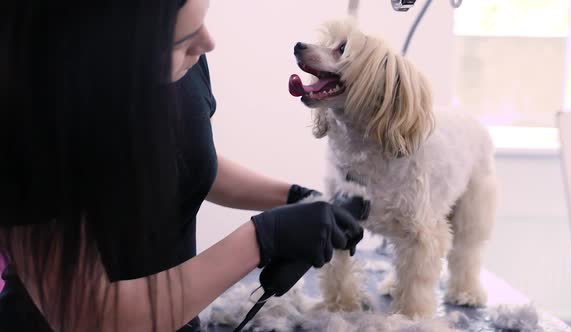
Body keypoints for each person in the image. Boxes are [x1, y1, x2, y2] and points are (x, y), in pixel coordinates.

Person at [0, 0, 365, 331]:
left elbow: (188, 161)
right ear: (113, 53)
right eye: (183, 38)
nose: (207, 43)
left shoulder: (185, 65)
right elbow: (89, 317)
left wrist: (296, 198)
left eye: (202, 20)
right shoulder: (28, 126)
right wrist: (262, 239)